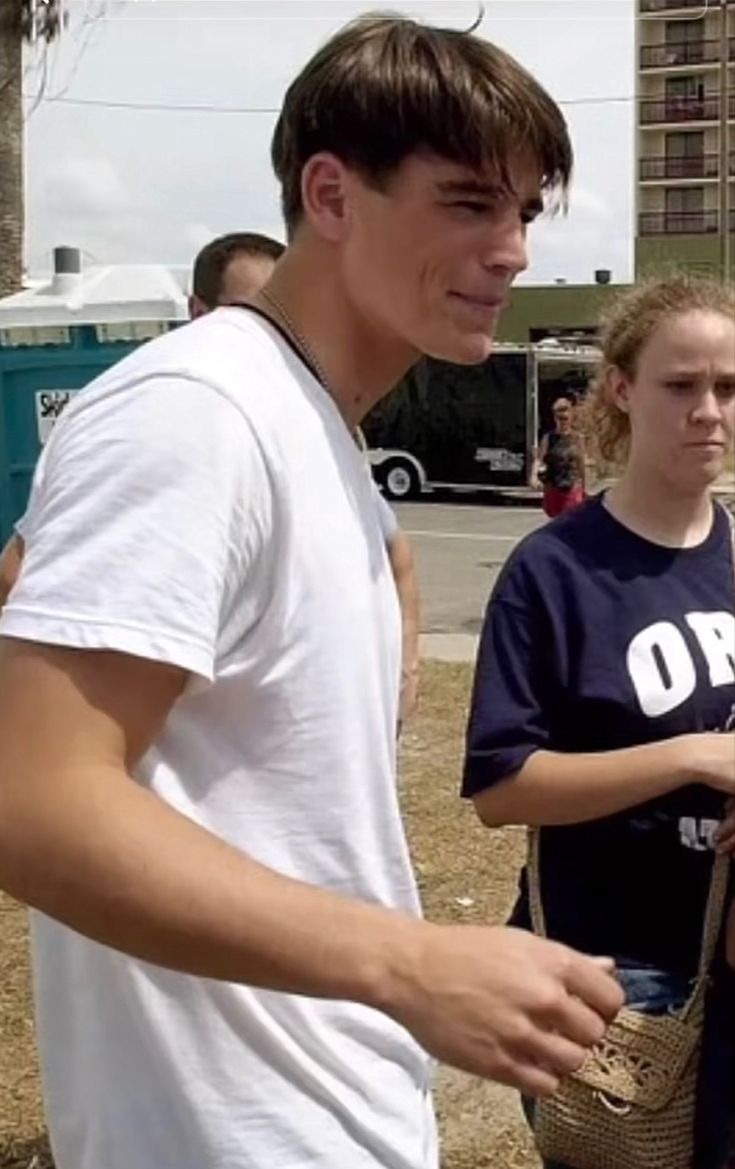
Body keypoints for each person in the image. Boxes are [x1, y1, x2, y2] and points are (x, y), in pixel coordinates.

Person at [0, 15, 623, 1169]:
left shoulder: (305, 424)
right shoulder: (201, 410)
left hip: (327, 1105)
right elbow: (30, 799)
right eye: (470, 201)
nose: (514, 251)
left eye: (526, 212)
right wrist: (411, 961)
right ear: (331, 194)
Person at [462, 274, 735, 1169]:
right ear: (620, 387)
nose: (708, 411)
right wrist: (690, 754)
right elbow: (501, 787)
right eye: (680, 385)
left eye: (727, 389)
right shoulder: (555, 571)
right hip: (615, 976)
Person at [0, 231, 422, 722]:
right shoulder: (171, 421)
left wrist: (403, 670)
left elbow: (397, 553)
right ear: (198, 312)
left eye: (286, 315)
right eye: (249, 316)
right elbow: (17, 571)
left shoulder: (314, 421)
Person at [531, 395, 586, 517]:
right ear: (554, 418)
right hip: (553, 487)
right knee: (555, 520)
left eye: (565, 418)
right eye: (559, 418)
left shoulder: (578, 438)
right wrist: (534, 476)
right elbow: (539, 459)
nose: (562, 421)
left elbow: (581, 462)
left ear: (571, 418)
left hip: (572, 487)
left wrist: (584, 486)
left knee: (570, 520)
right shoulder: (548, 438)